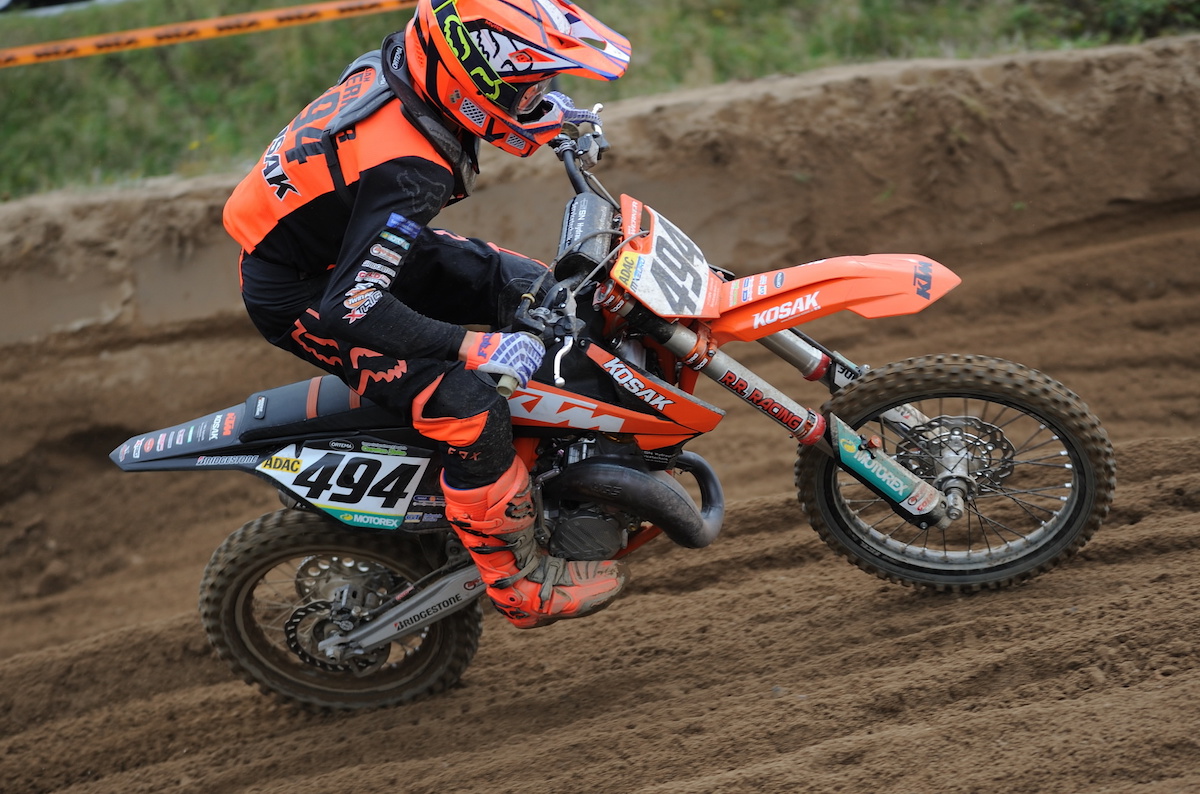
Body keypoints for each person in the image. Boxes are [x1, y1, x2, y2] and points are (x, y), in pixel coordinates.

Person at [222, 0, 632, 629]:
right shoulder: (411, 168)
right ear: (475, 80)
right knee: (471, 411)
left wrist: (546, 116)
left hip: (341, 246)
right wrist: (473, 347)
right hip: (306, 293)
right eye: (529, 88)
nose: (538, 98)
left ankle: (551, 462)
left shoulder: (407, 69)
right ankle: (518, 582)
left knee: (531, 288)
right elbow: (355, 307)